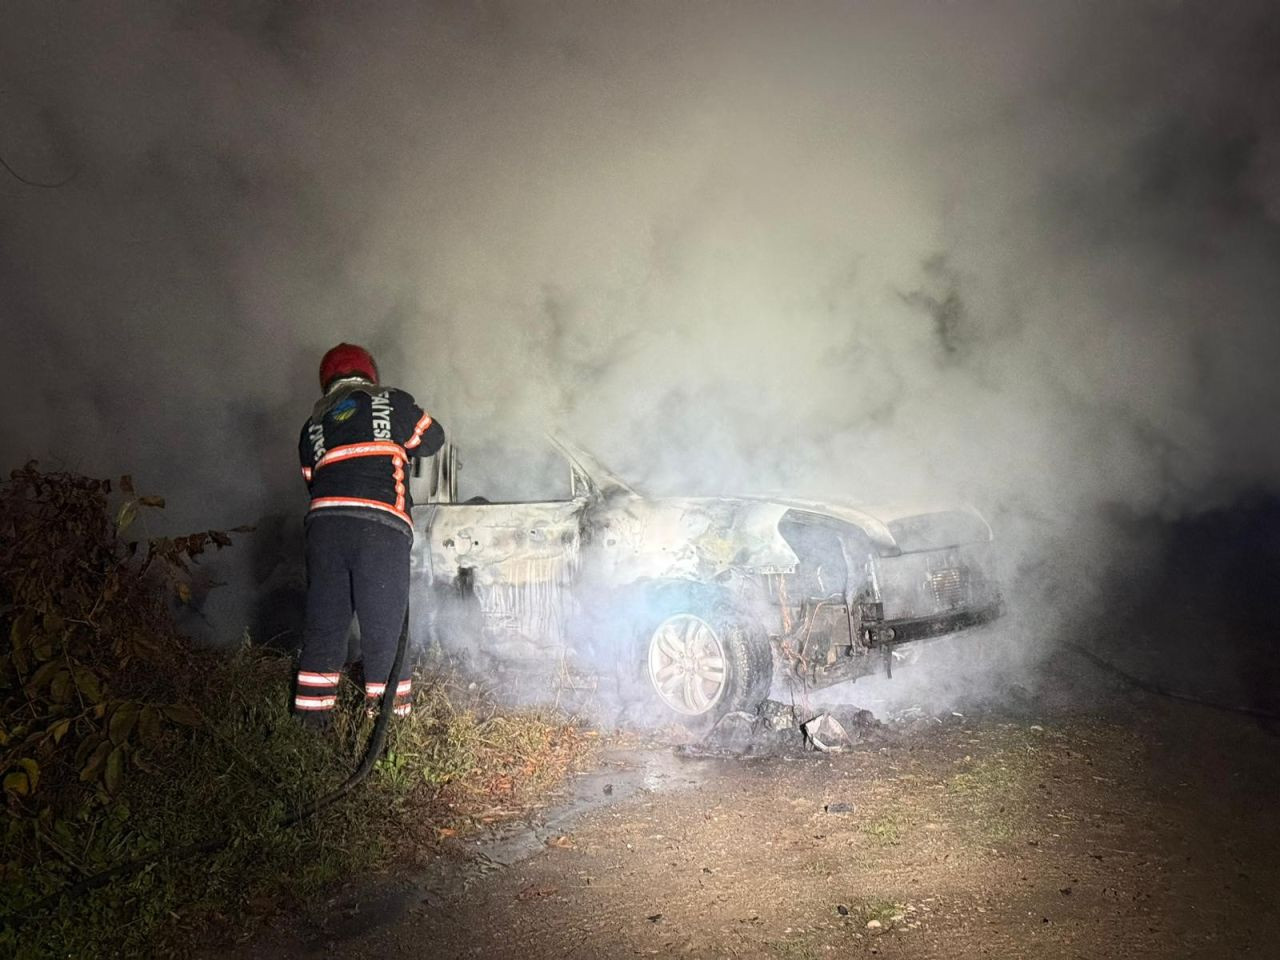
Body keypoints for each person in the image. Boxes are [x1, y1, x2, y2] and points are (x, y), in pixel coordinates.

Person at [293, 342, 444, 728]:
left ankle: (310, 730)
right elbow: (433, 438)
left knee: (325, 627)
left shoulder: (312, 425)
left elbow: (313, 481)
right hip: (379, 526)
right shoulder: (391, 401)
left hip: (324, 528)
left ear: (326, 380)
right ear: (370, 373)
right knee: (384, 630)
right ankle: (389, 733)